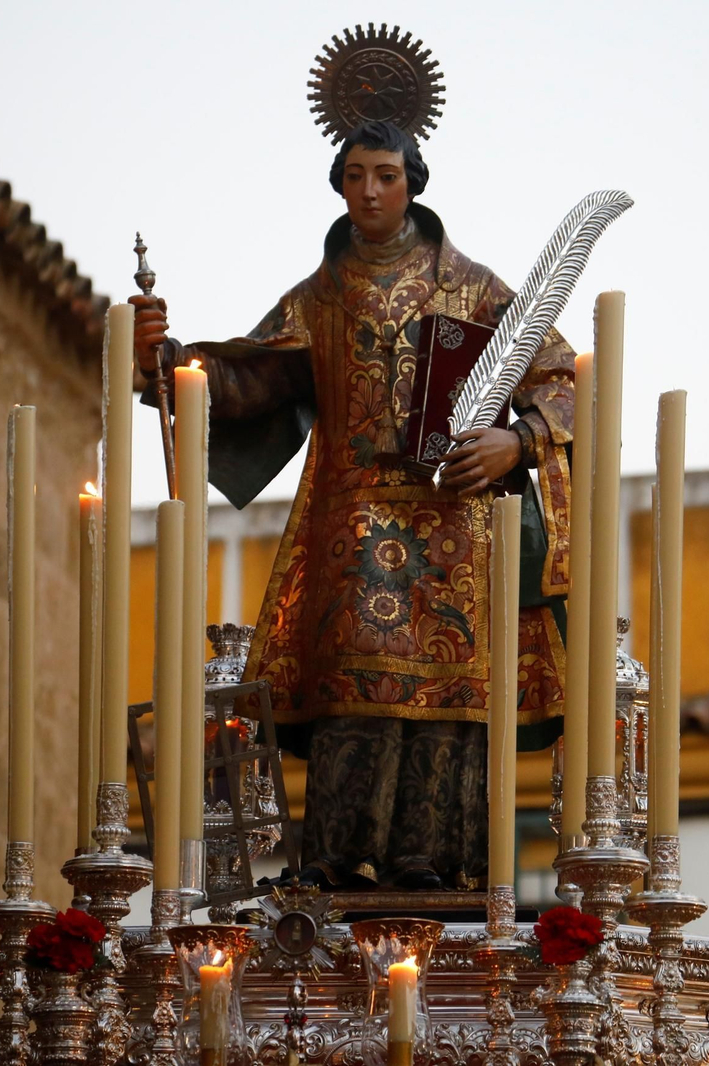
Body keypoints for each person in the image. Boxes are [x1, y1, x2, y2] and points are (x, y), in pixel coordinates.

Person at [131, 119, 575, 891]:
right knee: (352, 687)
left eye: (387, 175)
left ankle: (439, 865)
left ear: (414, 184)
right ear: (339, 184)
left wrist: (520, 441)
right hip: (353, 522)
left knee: (450, 699)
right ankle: (340, 862)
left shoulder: (473, 287)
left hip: (457, 523)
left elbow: (563, 375)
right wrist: (171, 365)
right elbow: (250, 379)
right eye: (356, 175)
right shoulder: (319, 298)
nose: (370, 191)